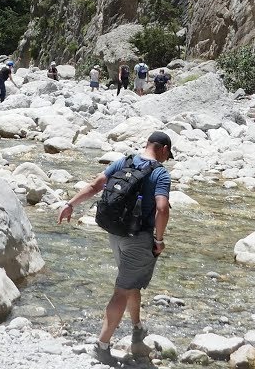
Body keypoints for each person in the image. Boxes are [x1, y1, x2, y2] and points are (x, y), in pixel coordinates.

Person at [57, 132, 175, 366]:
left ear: (146, 144)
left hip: (115, 232)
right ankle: (102, 346)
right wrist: (159, 240)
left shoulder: (126, 161)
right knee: (122, 290)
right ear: (162, 149)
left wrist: (70, 204)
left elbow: (95, 185)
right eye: (167, 155)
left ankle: (137, 328)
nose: (166, 159)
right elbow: (162, 208)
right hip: (138, 238)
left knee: (131, 282)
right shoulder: (160, 173)